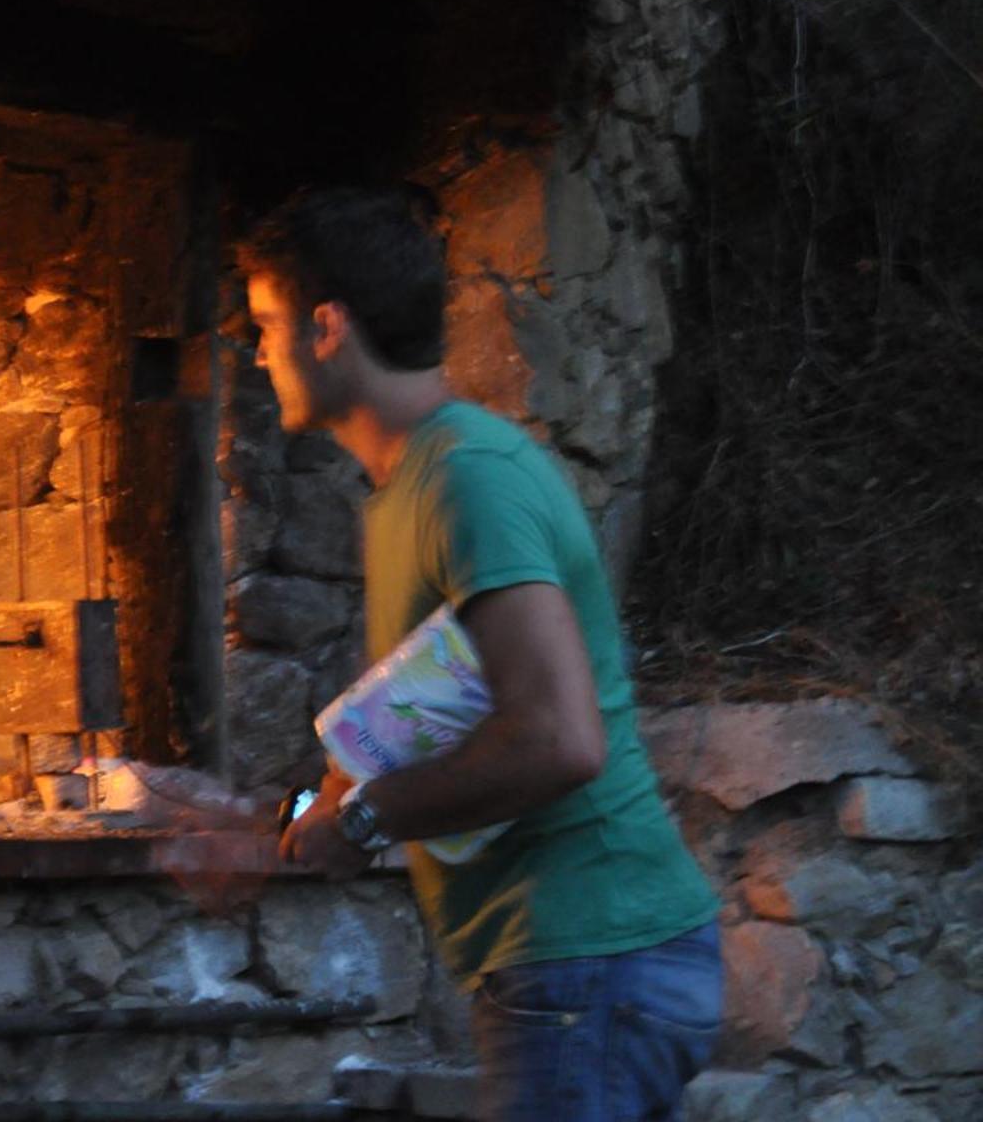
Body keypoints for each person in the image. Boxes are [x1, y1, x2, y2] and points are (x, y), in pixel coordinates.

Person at [245, 188, 722, 1122]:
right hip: (575, 972)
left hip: (592, 964)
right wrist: (317, 811)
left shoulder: (470, 478)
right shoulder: (410, 487)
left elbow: (556, 740)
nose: (258, 352)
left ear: (329, 327)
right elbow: (450, 711)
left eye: (266, 324)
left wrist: (370, 820)